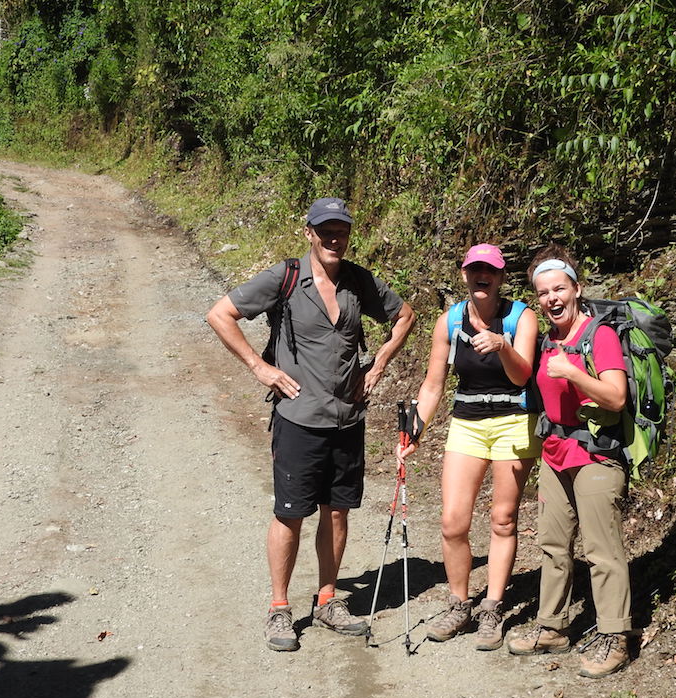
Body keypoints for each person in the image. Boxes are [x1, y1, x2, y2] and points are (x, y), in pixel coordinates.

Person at [206, 197, 416, 652]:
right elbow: (220, 314)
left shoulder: (359, 281)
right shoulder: (285, 277)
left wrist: (377, 365)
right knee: (290, 512)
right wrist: (260, 369)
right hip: (298, 418)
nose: (334, 238)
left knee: (337, 510)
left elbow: (405, 316)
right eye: (325, 230)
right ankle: (279, 608)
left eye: (341, 230)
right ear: (309, 233)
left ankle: (326, 599)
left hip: (347, 418)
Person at [396, 243, 540, 651]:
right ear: (464, 274)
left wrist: (502, 345)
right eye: (475, 269)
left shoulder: (521, 317)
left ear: (500, 277)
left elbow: (521, 376)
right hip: (468, 424)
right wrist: (414, 433)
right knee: (453, 523)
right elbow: (433, 384)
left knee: (503, 519)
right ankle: (459, 603)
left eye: (490, 271)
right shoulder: (450, 321)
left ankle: (492, 606)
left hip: (514, 421)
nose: (482, 276)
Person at [505, 244, 633, 678]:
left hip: (597, 455)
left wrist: (575, 372)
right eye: (542, 293)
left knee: (601, 550)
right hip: (556, 455)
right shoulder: (547, 341)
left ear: (576, 289)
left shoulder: (600, 336)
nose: (551, 298)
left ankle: (616, 636)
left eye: (559, 288)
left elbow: (616, 397)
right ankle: (552, 627)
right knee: (554, 546)